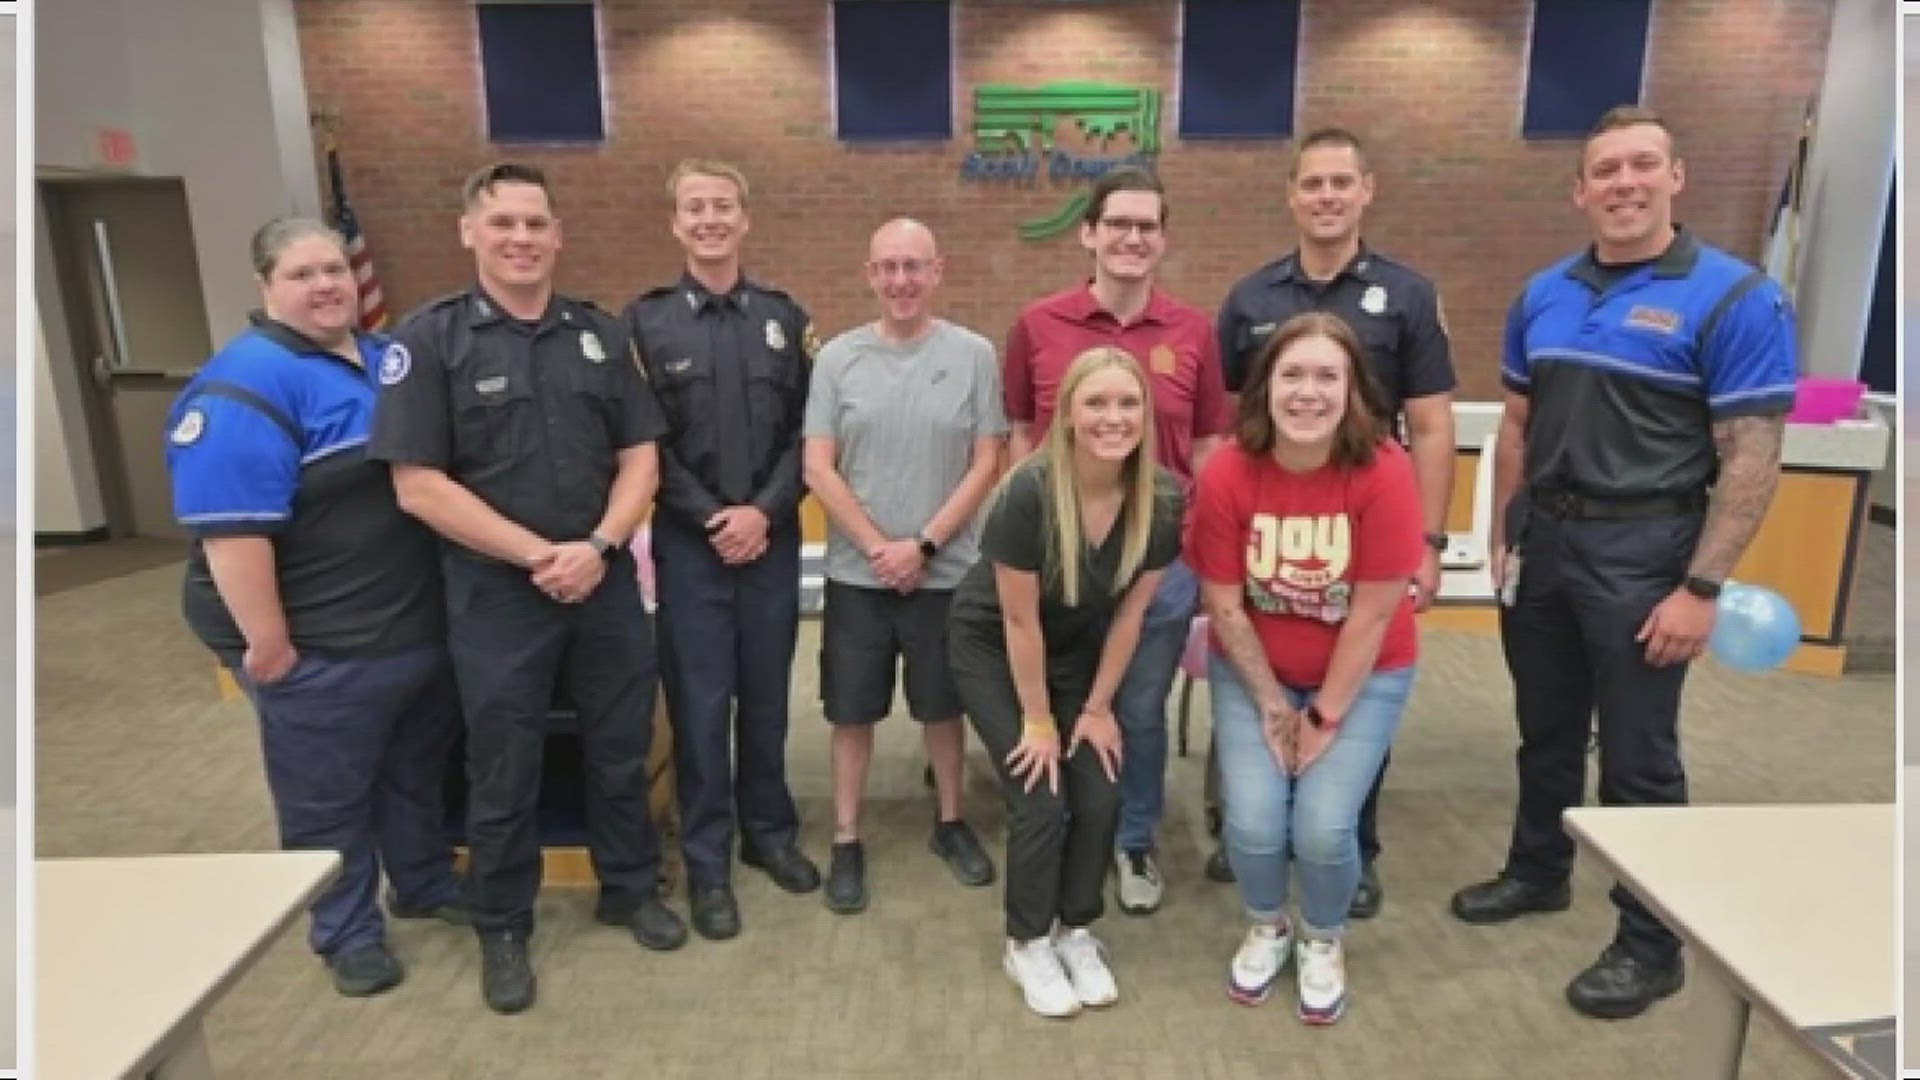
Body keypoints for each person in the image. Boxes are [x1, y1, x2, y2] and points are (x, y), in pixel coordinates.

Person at [1448, 106, 1798, 1020]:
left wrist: (1700, 588)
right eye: (1606, 170)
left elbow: (1753, 454)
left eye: (1643, 165)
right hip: (1547, 546)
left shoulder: (1734, 296)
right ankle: (1537, 871)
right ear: (1581, 190)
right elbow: (1517, 426)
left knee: (1641, 757)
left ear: (1676, 177)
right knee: (1546, 732)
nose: (1625, 183)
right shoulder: (1545, 293)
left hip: (1649, 555)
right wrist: (1501, 533)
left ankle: (1651, 942)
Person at [370, 163, 678, 1015]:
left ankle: (628, 886)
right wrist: (544, 556)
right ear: (469, 231)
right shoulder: (428, 341)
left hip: (605, 580)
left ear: (557, 235)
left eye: (536, 223)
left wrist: (599, 545)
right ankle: (503, 922)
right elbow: (418, 485)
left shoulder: (599, 333)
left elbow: (640, 456)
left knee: (620, 746)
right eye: (502, 222)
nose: (521, 238)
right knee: (502, 765)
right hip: (497, 594)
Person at [166, 217, 467, 999]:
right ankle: (345, 932)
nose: (327, 286)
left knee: (412, 776)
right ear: (265, 286)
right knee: (327, 799)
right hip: (318, 644)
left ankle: (425, 883)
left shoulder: (380, 360)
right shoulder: (244, 385)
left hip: (405, 627)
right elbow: (232, 534)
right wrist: (267, 645)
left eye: (335, 269)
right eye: (303, 274)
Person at [1210, 128, 1456, 917]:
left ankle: (1350, 845)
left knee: (1353, 694)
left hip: (1371, 531)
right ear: (1291, 194)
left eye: (1340, 182)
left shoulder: (1408, 295)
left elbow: (1432, 426)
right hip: (1270, 544)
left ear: (1366, 190)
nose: (1326, 196)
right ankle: (1256, 835)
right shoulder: (1250, 299)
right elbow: (1227, 427)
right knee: (1262, 676)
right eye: (1311, 183)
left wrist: (1428, 541)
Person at [1003, 167, 1232, 916]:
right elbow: (1019, 439)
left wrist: (1200, 554)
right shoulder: (1039, 325)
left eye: (1148, 226)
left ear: (1162, 240)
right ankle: (1064, 829)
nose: (1133, 238)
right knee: (1060, 699)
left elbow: (1205, 448)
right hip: (1061, 561)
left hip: (1154, 568)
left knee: (1135, 709)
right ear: (1089, 233)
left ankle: (1132, 840)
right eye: (1119, 224)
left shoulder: (1193, 331)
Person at [1190, 312, 1423, 1025]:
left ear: (1352, 389)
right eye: (1292, 374)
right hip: (1253, 669)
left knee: (1322, 827)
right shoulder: (1230, 468)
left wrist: (1322, 715)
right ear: (1265, 387)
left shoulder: (1384, 469)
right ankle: (1268, 923)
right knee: (1255, 824)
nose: (1308, 393)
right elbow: (1224, 605)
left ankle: (1322, 936)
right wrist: (1271, 704)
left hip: (1365, 673)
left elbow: (1375, 612)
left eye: (1328, 376)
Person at [949, 346, 1185, 1018]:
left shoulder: (1161, 499)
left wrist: (1100, 708)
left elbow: (1132, 614)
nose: (1114, 417)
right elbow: (1020, 624)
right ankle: (1026, 941)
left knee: (1102, 791)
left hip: (1078, 652)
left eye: (1128, 402)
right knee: (1042, 794)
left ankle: (1074, 928)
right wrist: (1039, 722)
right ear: (1069, 416)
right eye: (1097, 403)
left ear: (1146, 411)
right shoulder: (1028, 491)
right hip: (995, 646)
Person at [623, 159, 821, 941]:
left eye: (723, 206)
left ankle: (770, 834)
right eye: (694, 208)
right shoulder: (643, 324)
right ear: (676, 223)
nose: (709, 219)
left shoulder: (784, 316)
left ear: (745, 217)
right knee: (702, 710)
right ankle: (707, 862)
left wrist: (763, 514)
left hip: (769, 543)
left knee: (768, 701)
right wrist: (715, 520)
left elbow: (811, 431)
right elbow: (643, 443)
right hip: (690, 549)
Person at [801, 218, 1004, 912]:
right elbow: (818, 465)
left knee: (943, 707)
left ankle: (950, 822)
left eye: (914, 266)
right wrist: (880, 549)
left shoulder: (974, 355)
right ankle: (847, 837)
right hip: (859, 577)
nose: (901, 281)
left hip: (945, 573)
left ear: (937, 271)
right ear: (869, 274)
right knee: (850, 710)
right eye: (887, 267)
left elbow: (987, 459)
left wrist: (922, 545)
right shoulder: (837, 361)